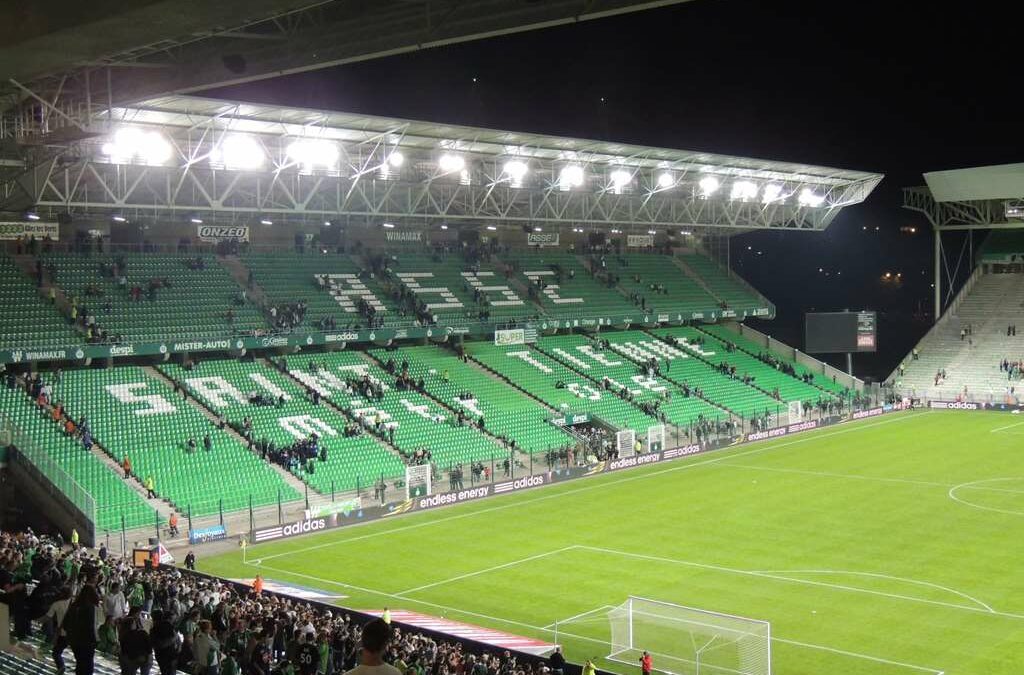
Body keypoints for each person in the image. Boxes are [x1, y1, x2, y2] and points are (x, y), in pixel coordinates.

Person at [63, 584, 101, 675]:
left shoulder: (74, 605)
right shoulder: (91, 608)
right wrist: (96, 640)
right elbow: (93, 626)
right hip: (87, 641)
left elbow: (65, 623)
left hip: (74, 640)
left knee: (80, 663)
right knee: (87, 665)